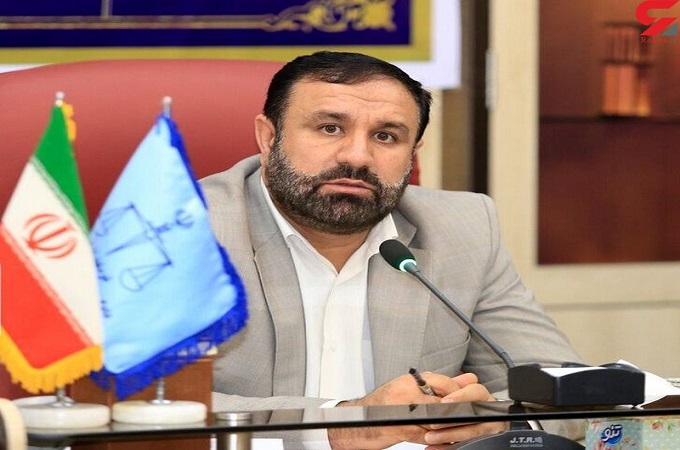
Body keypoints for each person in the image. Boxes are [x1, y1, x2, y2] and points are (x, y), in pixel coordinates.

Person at [200, 51, 583, 448]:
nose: (357, 157)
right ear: (268, 138)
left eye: (386, 136)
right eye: (330, 128)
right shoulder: (182, 233)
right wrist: (344, 425)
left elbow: (567, 391)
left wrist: (499, 425)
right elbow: (157, 406)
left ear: (413, 152)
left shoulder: (464, 229)